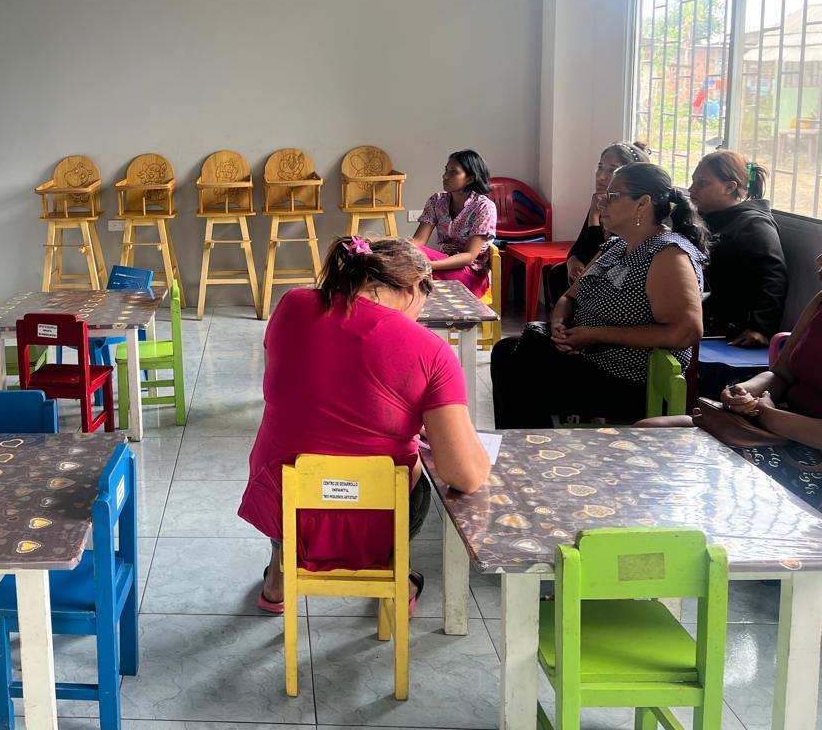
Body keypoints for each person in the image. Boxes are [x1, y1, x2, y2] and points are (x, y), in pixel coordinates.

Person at [239, 235, 490, 615]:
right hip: (368, 518)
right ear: (413, 287)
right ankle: (395, 577)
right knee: (415, 474)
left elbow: (314, 387)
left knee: (293, 453)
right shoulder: (431, 349)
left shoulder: (292, 304)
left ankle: (279, 576)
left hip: (279, 502)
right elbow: (464, 475)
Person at [490, 162, 707, 428]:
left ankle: (531, 444)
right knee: (509, 352)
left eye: (612, 196)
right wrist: (559, 325)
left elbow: (685, 332)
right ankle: (528, 441)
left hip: (625, 376)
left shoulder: (667, 255)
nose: (601, 202)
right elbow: (569, 297)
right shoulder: (616, 247)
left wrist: (595, 335)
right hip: (588, 356)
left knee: (520, 367)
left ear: (642, 203)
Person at [640, 252, 822, 511]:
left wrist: (769, 416)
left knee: (699, 477)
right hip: (779, 427)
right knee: (650, 432)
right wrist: (743, 391)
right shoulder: (819, 303)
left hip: (808, 452)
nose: (819, 260)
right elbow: (780, 374)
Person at [689, 150, 787, 347]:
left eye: (702, 183)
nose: (692, 189)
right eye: (693, 181)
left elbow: (772, 277)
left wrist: (760, 327)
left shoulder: (753, 224)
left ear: (729, 187)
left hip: (725, 329)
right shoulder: (706, 217)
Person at [547, 141, 651, 300]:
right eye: (600, 167)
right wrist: (572, 262)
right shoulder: (600, 201)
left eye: (612, 170)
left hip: (617, 279)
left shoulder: (629, 210)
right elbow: (580, 246)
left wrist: (595, 216)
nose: (601, 176)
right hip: (594, 272)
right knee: (558, 272)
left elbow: (602, 256)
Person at [410, 149, 497, 298]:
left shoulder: (484, 207)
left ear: (470, 179)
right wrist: (393, 249)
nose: (445, 176)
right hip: (441, 264)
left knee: (410, 271)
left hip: (470, 274)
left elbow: (469, 256)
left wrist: (428, 266)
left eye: (453, 172)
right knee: (409, 256)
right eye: (446, 170)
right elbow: (418, 241)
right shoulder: (437, 201)